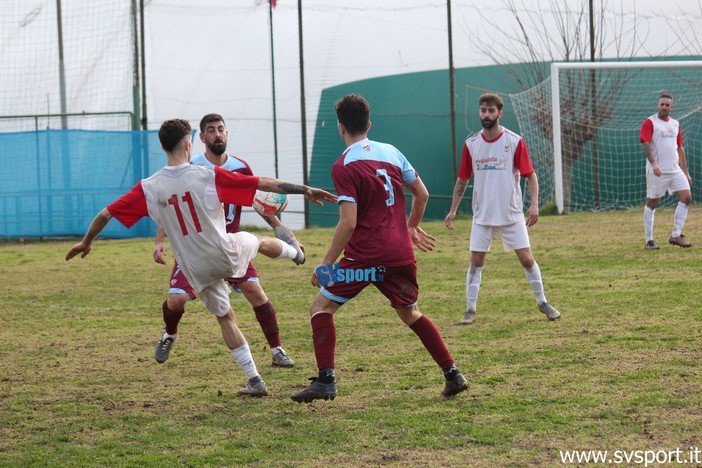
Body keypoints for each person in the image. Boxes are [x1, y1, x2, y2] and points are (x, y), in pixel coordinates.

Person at [66, 118, 336, 397]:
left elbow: (105, 214)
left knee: (225, 317)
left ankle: (255, 380)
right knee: (258, 241)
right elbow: (263, 183)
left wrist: (87, 242)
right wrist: (306, 190)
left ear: (162, 146)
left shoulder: (148, 187)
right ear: (188, 143)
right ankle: (296, 253)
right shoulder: (207, 175)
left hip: (194, 269)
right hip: (225, 255)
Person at [290, 94, 468, 403]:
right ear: (369, 124)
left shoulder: (343, 165)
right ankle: (453, 374)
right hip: (399, 253)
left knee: (320, 307)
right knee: (410, 313)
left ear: (340, 127)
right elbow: (421, 194)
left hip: (364, 259)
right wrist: (410, 226)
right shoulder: (392, 153)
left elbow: (347, 222)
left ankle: (326, 381)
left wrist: (327, 263)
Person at [152, 113, 299, 369]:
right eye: (211, 130)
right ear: (200, 137)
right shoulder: (194, 168)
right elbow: (170, 206)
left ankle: (277, 350)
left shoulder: (241, 167)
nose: (217, 134)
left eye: (221, 129)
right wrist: (159, 241)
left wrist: (280, 229)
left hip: (230, 247)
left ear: (227, 134)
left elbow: (257, 200)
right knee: (176, 300)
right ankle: (169, 334)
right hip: (196, 248)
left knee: (255, 291)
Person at [444, 92, 561, 325]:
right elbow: (463, 180)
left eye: (490, 111)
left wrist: (534, 205)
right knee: (476, 260)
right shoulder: (471, 144)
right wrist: (453, 209)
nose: (486, 115)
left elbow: (530, 175)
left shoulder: (514, 141)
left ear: (499, 113)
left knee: (527, 259)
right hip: (483, 215)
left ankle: (543, 302)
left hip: (511, 214)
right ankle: (470, 309)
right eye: (482, 110)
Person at [640, 92, 693, 249]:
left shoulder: (675, 124)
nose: (664, 107)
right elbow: (645, 143)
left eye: (667, 105)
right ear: (658, 105)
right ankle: (649, 240)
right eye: (662, 104)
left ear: (671, 107)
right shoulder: (650, 122)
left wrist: (686, 172)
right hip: (657, 171)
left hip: (675, 170)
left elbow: (679, 148)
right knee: (652, 203)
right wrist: (654, 163)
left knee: (686, 197)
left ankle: (676, 235)